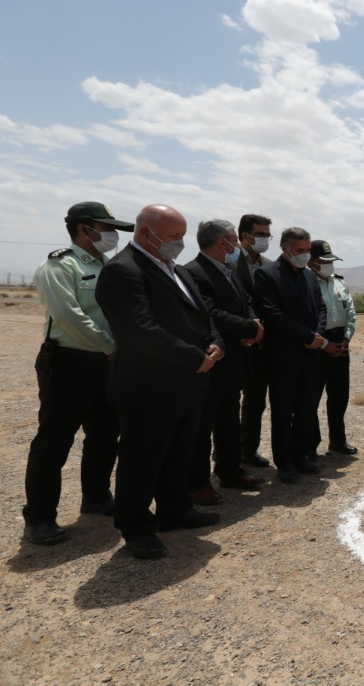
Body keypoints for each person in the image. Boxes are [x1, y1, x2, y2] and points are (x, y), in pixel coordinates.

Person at [96, 204, 224, 560]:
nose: (179, 244)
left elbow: (203, 315)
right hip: (148, 385)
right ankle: (135, 527)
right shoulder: (122, 271)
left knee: (178, 452)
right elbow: (141, 330)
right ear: (143, 233)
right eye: (172, 237)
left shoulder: (176, 270)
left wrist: (215, 344)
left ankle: (175, 509)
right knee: (142, 457)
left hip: (188, 382)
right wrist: (194, 357)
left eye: (182, 236)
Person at [22, 202, 133, 546]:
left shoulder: (109, 266)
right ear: (84, 229)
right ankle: (40, 517)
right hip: (69, 363)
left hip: (106, 363)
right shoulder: (59, 265)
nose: (112, 235)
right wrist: (111, 346)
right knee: (54, 440)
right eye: (106, 228)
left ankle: (97, 496)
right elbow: (69, 315)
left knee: (104, 434)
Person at [184, 220, 265, 506]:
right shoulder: (192, 272)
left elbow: (246, 302)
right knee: (202, 425)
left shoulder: (230, 271)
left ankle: (230, 471)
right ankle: (197, 483)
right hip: (213, 360)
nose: (236, 246)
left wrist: (253, 323)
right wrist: (246, 328)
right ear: (222, 242)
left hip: (236, 361)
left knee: (228, 420)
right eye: (233, 240)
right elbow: (209, 312)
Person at [252, 227, 329, 484]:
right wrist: (307, 336)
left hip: (310, 355)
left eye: (307, 250)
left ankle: (300, 456)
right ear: (284, 248)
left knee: (307, 409)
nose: (305, 255)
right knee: (283, 411)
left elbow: (320, 307)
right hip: (284, 356)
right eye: (300, 251)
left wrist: (316, 335)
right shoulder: (266, 274)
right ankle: (284, 462)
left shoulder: (309, 276)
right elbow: (273, 315)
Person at [307, 239, 357, 457]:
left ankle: (338, 440)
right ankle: (310, 445)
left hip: (341, 343)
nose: (330, 265)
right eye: (324, 261)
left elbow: (351, 314)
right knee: (311, 399)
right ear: (311, 262)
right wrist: (325, 345)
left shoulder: (339, 283)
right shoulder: (306, 283)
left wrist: (346, 338)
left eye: (331, 260)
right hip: (317, 344)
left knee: (339, 396)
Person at [235, 214, 274, 468]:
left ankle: (247, 450)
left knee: (255, 401)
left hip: (262, 344)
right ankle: (224, 453)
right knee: (225, 403)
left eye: (266, 235)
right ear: (244, 235)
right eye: (260, 234)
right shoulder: (228, 263)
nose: (264, 239)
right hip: (235, 341)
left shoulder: (268, 265)